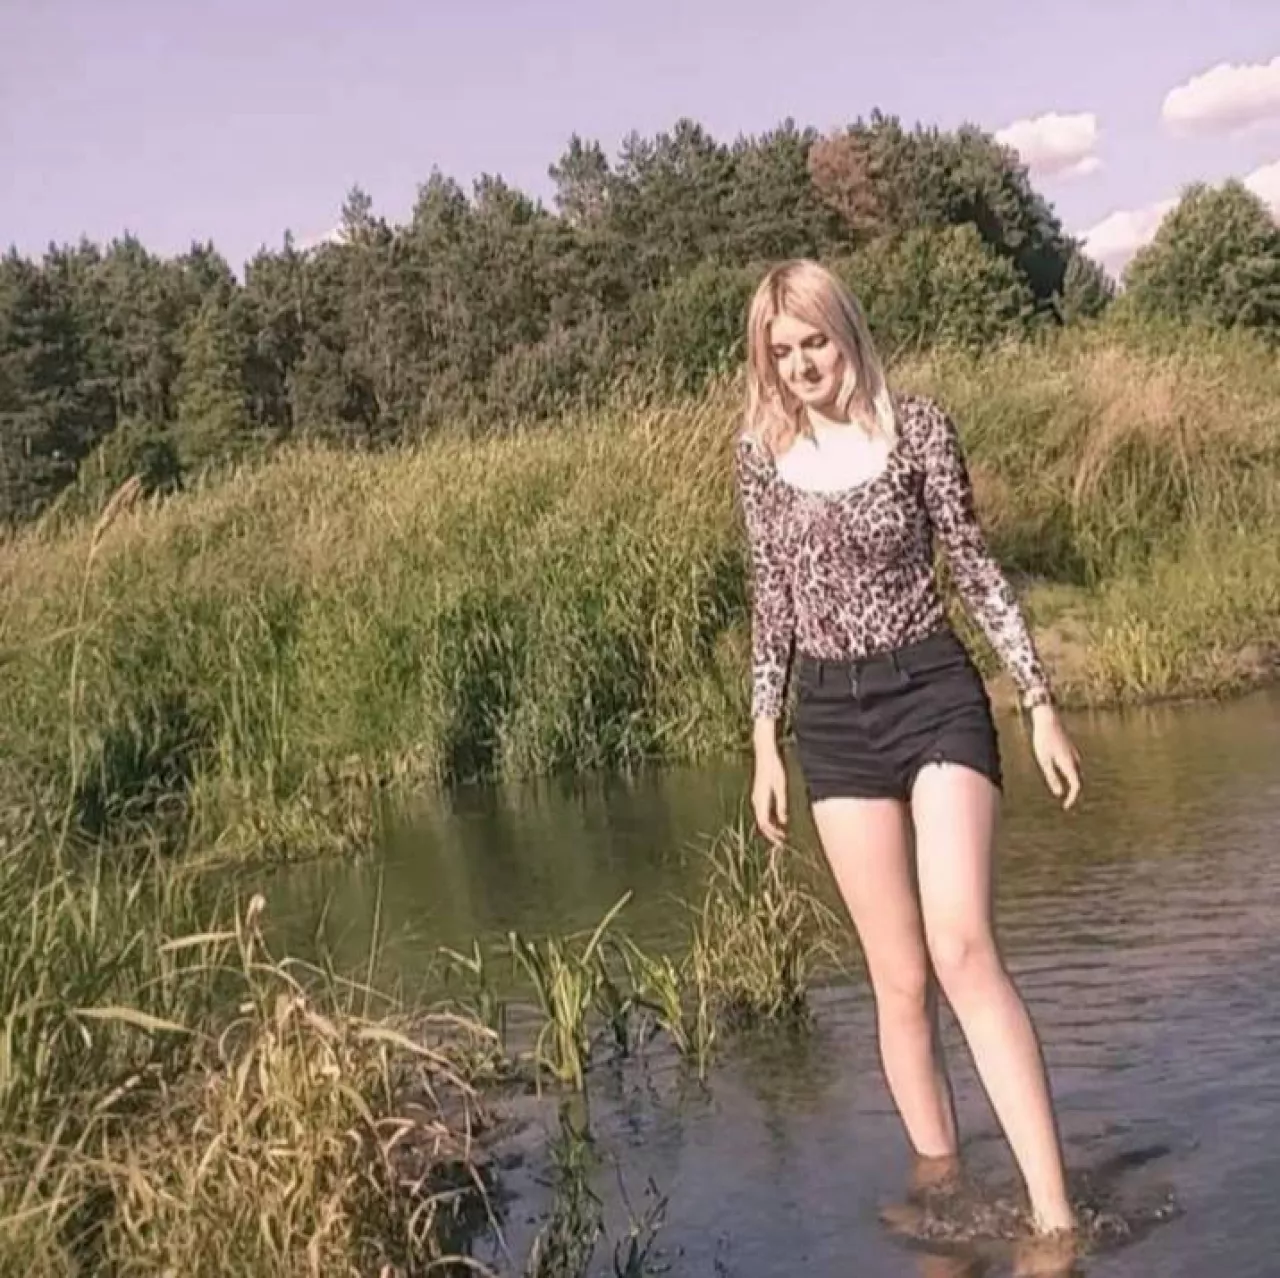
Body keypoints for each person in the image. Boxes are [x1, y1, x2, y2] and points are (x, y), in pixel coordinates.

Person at [732, 259, 1084, 1243]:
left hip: (933, 693)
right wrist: (763, 739)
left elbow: (972, 566)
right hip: (831, 718)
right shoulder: (760, 457)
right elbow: (771, 601)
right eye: (782, 352)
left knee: (961, 947)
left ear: (846, 329)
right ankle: (944, 1193)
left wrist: (1037, 700)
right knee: (897, 977)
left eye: (814, 341)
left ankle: (1055, 1220)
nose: (802, 366)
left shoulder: (917, 429)